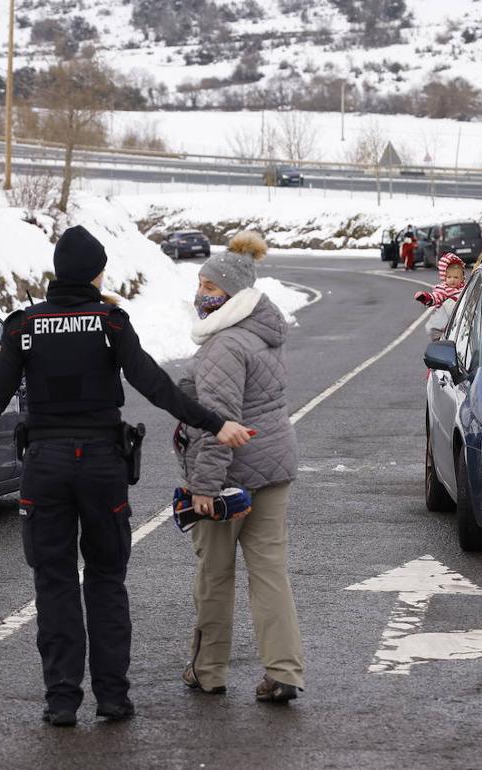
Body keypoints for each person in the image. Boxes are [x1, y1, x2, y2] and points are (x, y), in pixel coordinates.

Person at [0, 225, 254, 728]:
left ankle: (62, 700)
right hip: (102, 466)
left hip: (45, 468)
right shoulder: (110, 322)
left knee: (55, 582)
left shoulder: (24, 327)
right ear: (98, 273)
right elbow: (152, 383)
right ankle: (113, 698)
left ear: (57, 273)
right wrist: (217, 423)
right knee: (106, 581)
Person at [174, 231, 305, 704]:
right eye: (200, 285)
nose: (201, 295)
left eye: (209, 287)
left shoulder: (224, 345)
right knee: (270, 572)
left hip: (229, 477)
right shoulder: (263, 331)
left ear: (230, 293)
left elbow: (218, 422)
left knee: (215, 574)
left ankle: (208, 670)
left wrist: (204, 485)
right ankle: (284, 669)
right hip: (274, 466)